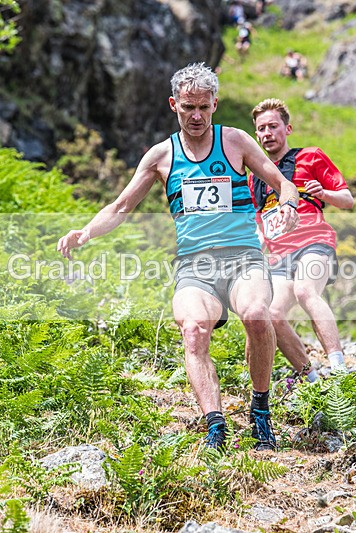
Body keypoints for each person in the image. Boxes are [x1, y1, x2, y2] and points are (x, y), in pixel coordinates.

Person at [57, 64, 300, 451]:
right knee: (193, 329)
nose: (197, 116)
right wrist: (86, 231)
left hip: (242, 259)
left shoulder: (236, 142)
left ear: (215, 104)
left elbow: (284, 184)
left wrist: (288, 206)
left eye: (204, 107)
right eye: (189, 107)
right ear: (174, 105)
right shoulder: (161, 156)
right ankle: (215, 426)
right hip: (195, 266)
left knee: (256, 314)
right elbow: (120, 206)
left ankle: (260, 412)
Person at [249, 98, 354, 382]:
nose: (267, 133)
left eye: (273, 126)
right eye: (261, 128)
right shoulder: (254, 178)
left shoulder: (311, 156)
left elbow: (347, 200)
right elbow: (259, 224)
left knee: (306, 290)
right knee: (271, 313)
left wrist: (324, 194)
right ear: (256, 135)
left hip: (314, 241)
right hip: (278, 253)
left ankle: (339, 368)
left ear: (288, 128)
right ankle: (311, 379)